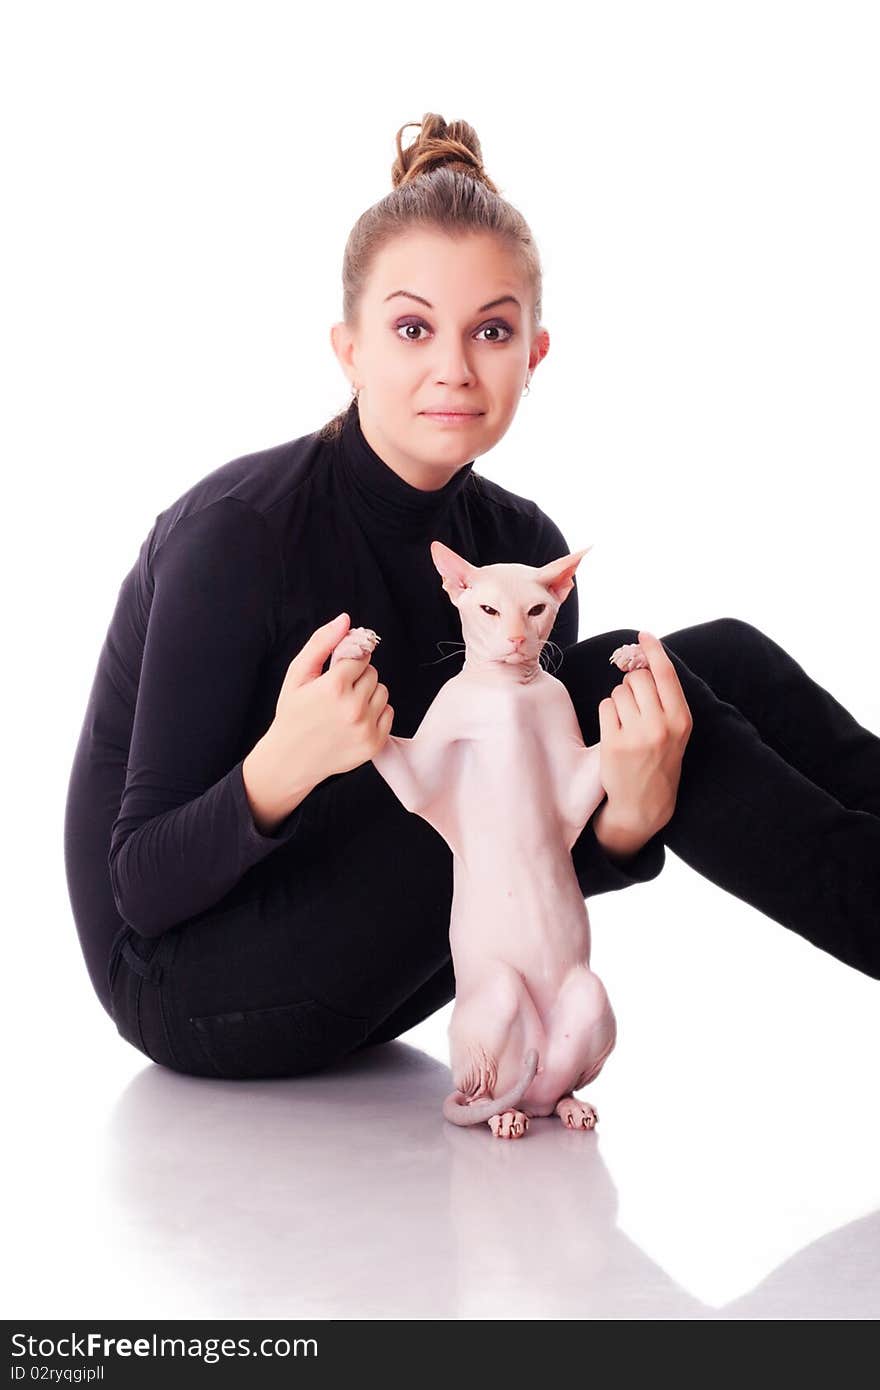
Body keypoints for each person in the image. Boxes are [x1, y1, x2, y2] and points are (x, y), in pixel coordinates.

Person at [63, 113, 880, 1081]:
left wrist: (629, 815)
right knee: (604, 684)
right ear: (350, 349)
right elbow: (143, 889)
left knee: (708, 658)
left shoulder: (522, 551)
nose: (453, 366)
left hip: (393, 951)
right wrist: (286, 761)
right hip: (187, 977)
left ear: (533, 355)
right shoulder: (239, 534)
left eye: (491, 330)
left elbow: (530, 852)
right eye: (412, 328)